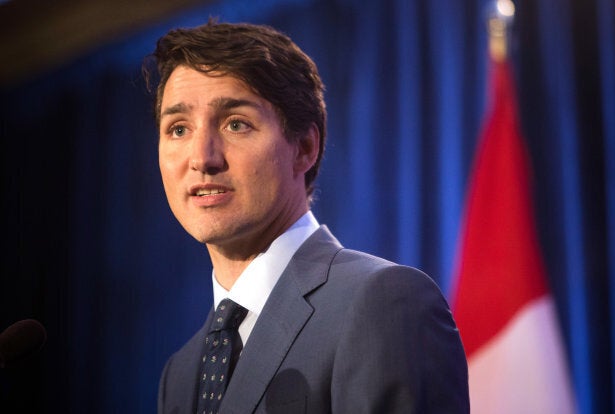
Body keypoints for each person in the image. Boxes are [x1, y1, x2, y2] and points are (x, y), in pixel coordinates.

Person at [144, 18, 469, 414]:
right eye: (178, 129)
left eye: (236, 124)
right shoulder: (179, 374)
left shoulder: (382, 304)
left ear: (305, 148)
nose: (202, 158)